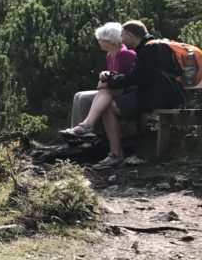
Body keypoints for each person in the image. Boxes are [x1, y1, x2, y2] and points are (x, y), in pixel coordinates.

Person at [60, 20, 186, 169]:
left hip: (160, 97)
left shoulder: (150, 49)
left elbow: (135, 78)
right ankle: (101, 141)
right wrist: (112, 79)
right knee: (108, 102)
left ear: (131, 35)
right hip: (157, 93)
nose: (121, 40)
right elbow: (137, 75)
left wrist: (111, 81)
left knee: (108, 103)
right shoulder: (149, 47)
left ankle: (111, 151)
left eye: (122, 35)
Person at [69, 22, 137, 129]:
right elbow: (113, 76)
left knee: (83, 98)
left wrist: (104, 83)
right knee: (78, 95)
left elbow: (121, 79)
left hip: (125, 91)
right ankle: (76, 131)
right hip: (112, 90)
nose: (99, 41)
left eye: (101, 39)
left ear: (111, 41)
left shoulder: (125, 54)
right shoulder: (110, 55)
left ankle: (87, 132)